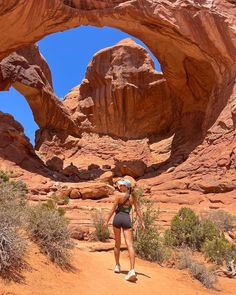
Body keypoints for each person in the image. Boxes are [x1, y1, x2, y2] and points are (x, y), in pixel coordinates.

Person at [104, 179, 145, 282]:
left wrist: (106, 221)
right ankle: (132, 270)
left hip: (117, 219)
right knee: (130, 245)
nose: (120, 186)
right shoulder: (133, 197)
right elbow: (137, 210)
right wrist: (142, 222)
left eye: (122, 185)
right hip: (126, 219)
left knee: (117, 243)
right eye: (120, 185)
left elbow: (113, 209)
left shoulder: (118, 196)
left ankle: (117, 265)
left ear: (127, 187)